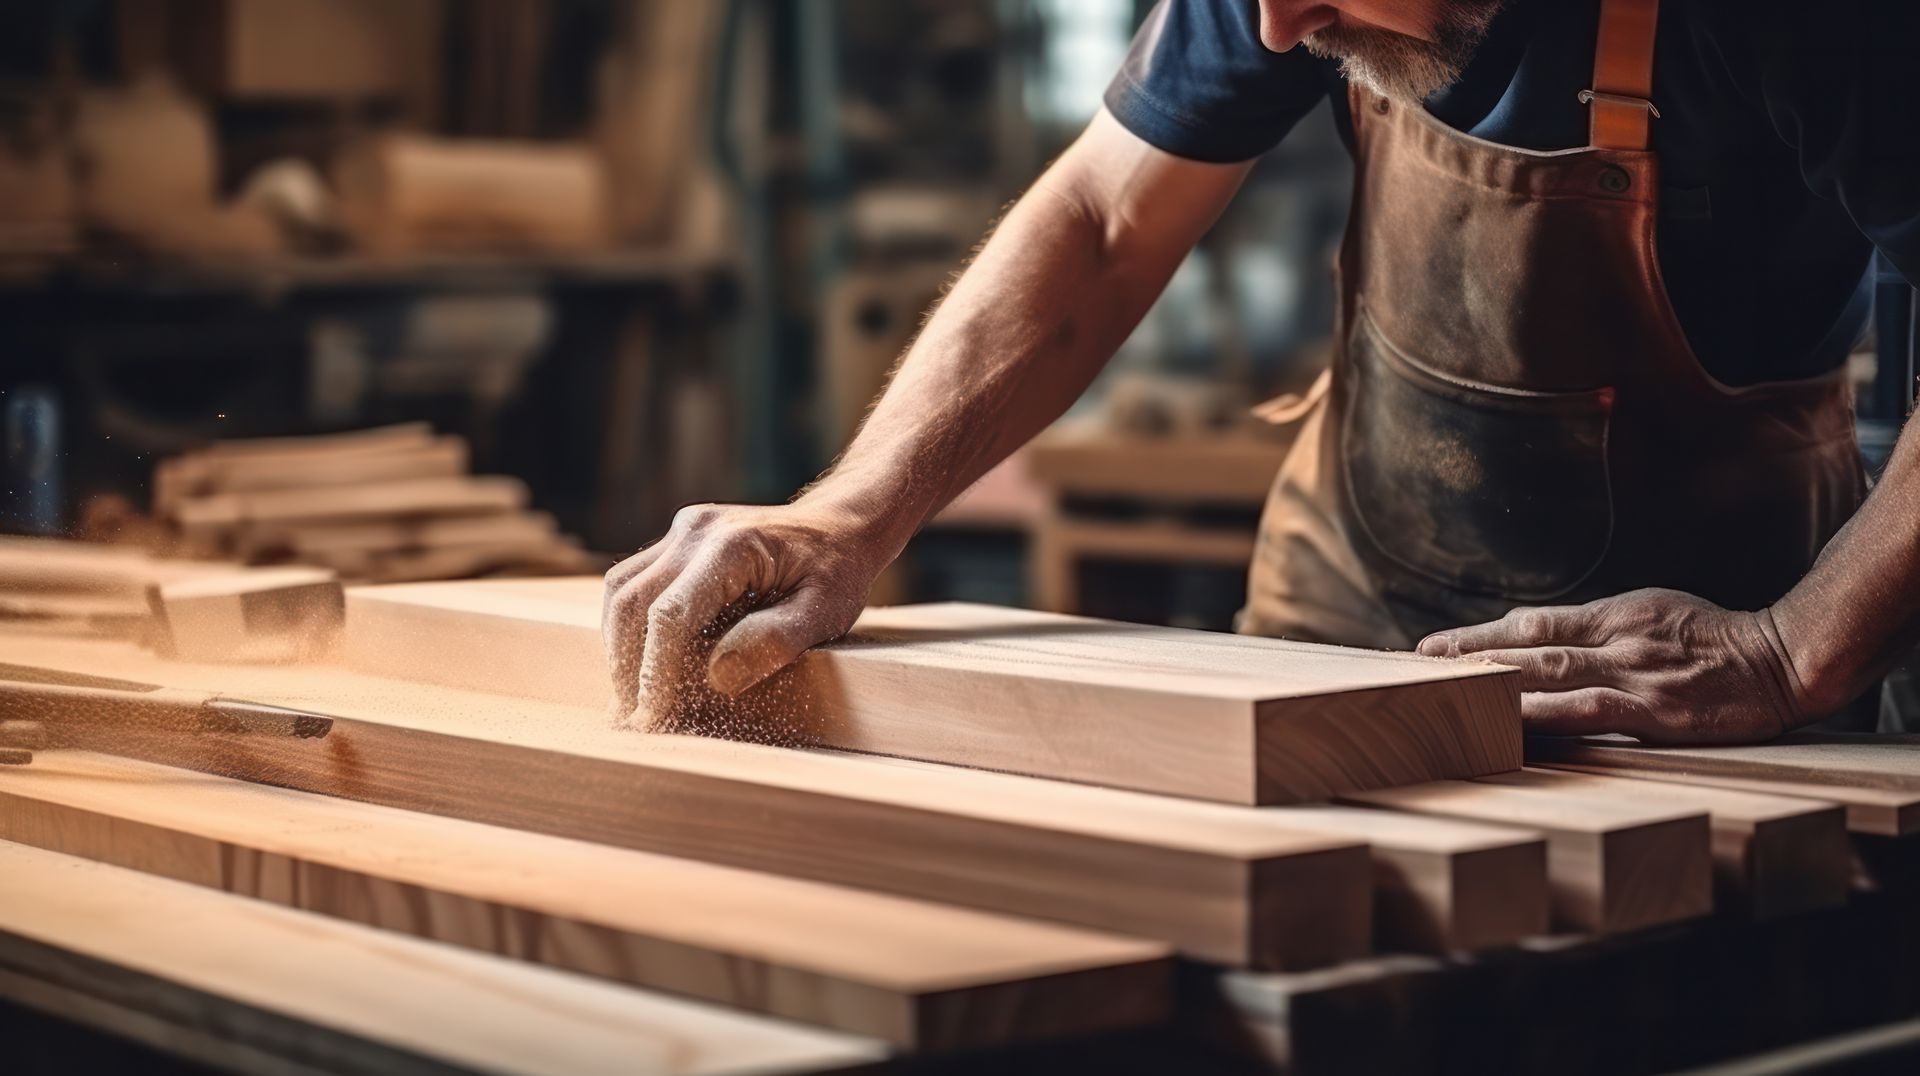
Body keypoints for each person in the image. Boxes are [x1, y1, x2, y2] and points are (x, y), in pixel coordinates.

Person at [605, 0, 1920, 744]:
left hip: (1683, 676)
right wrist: (851, 512)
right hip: (1347, 622)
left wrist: (1789, 651)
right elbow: (1105, 224)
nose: (1282, 24)